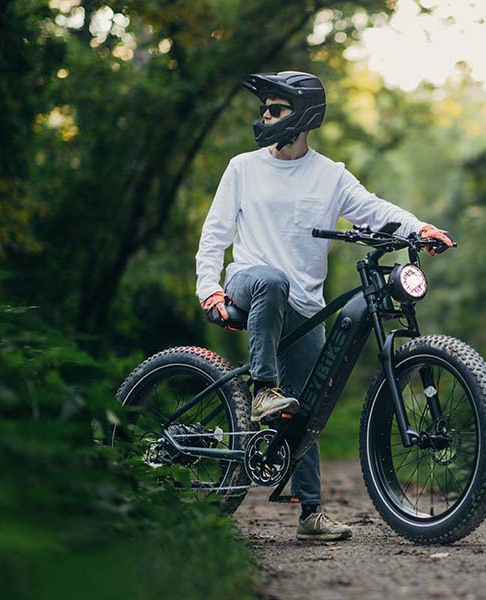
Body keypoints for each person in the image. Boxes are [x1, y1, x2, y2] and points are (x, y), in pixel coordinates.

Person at [194, 71, 454, 541]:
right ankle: (261, 389)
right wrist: (208, 288)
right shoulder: (242, 168)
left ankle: (310, 513)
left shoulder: (329, 175)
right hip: (250, 283)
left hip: (305, 304)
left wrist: (419, 229)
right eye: (265, 109)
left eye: (277, 109)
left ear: (305, 114)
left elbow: (374, 210)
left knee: (307, 409)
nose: (266, 117)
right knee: (272, 281)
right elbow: (215, 235)